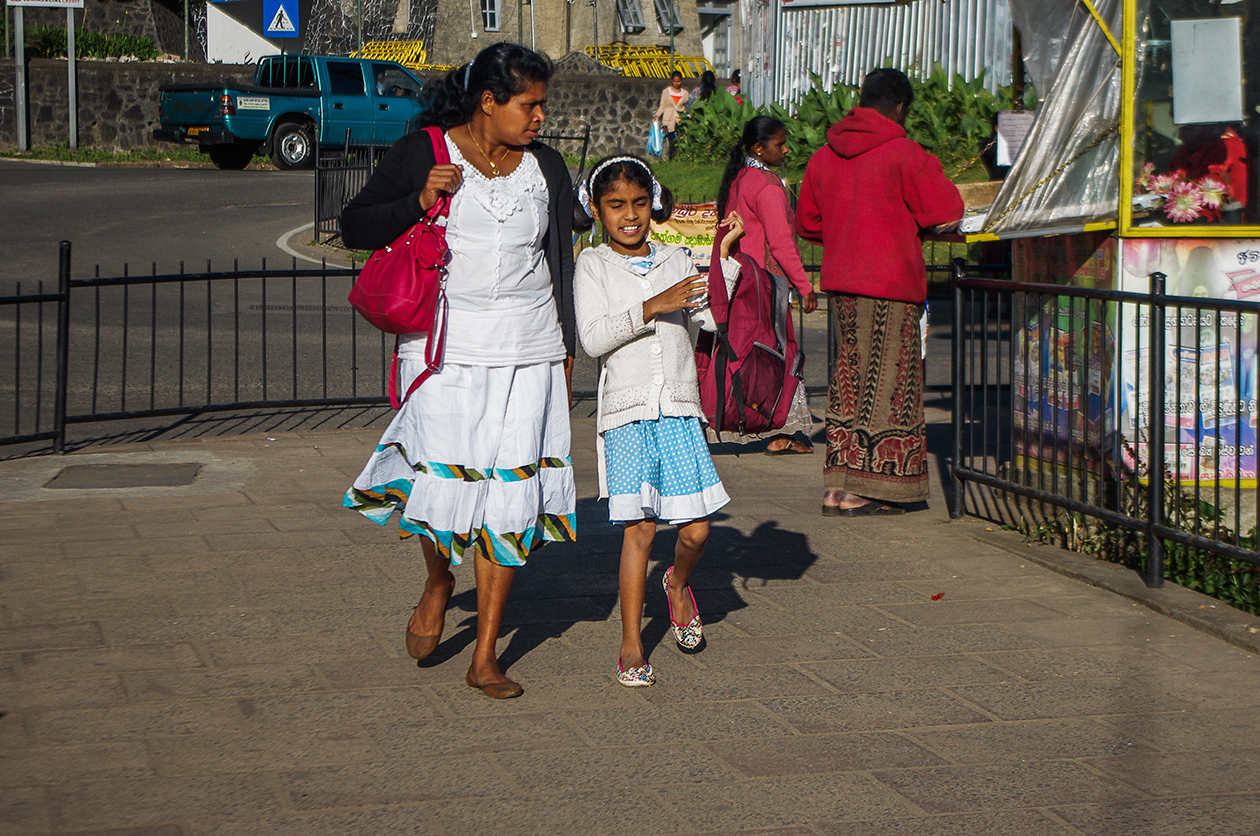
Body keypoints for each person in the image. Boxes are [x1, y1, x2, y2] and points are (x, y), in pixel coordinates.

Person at [340, 43, 577, 700]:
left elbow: (561, 259)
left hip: (527, 351)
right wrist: (417, 201)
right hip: (444, 349)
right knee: (442, 487)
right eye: (528, 105)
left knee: (507, 496)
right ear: (488, 101)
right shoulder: (427, 152)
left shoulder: (546, 167)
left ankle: (485, 656)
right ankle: (441, 580)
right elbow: (354, 224)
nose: (538, 118)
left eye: (541, 106)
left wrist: (566, 348)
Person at [572, 155, 742, 686]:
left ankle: (676, 584)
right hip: (625, 415)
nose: (630, 216)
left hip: (680, 410)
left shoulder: (675, 258)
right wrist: (653, 305)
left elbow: (709, 318)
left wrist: (726, 261)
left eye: (640, 204)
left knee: (696, 530)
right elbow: (594, 339)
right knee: (639, 532)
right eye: (617, 205)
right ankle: (630, 642)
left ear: (655, 205)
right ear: (597, 210)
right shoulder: (592, 264)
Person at [796, 68, 963, 516]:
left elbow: (808, 222)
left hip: (843, 286)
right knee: (891, 385)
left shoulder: (823, 156)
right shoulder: (906, 154)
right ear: (901, 108)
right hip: (891, 285)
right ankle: (867, 489)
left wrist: (848, 231)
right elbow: (946, 209)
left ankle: (837, 486)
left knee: (850, 381)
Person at [716, 114, 818, 455]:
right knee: (781, 351)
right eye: (780, 143)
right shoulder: (766, 185)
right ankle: (782, 429)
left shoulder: (739, 179)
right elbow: (782, 243)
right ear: (759, 148)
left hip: (744, 278)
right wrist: (804, 286)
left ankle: (761, 420)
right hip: (768, 282)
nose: (786, 148)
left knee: (754, 352)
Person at [653, 71, 688, 160]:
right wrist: (657, 115)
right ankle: (671, 159)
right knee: (671, 141)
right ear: (672, 81)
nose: (676, 83)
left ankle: (679, 158)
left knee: (680, 139)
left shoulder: (685, 94)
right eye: (675, 81)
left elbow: (686, 107)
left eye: (678, 81)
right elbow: (662, 106)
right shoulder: (666, 92)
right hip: (669, 121)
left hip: (680, 120)